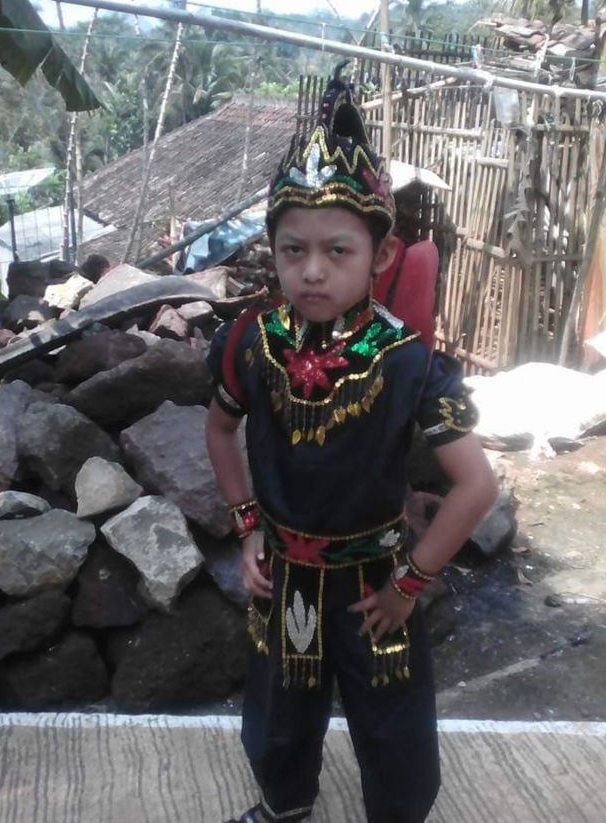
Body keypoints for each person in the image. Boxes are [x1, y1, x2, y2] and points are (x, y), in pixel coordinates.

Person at [205, 68, 498, 823]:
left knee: (394, 731)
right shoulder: (250, 343)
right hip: (284, 579)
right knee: (277, 718)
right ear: (272, 249)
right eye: (292, 248)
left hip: (376, 585)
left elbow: (477, 487)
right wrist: (246, 526)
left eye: (338, 249)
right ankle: (284, 808)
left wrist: (411, 582)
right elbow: (220, 428)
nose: (312, 269)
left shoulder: (409, 362)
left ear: (382, 253)